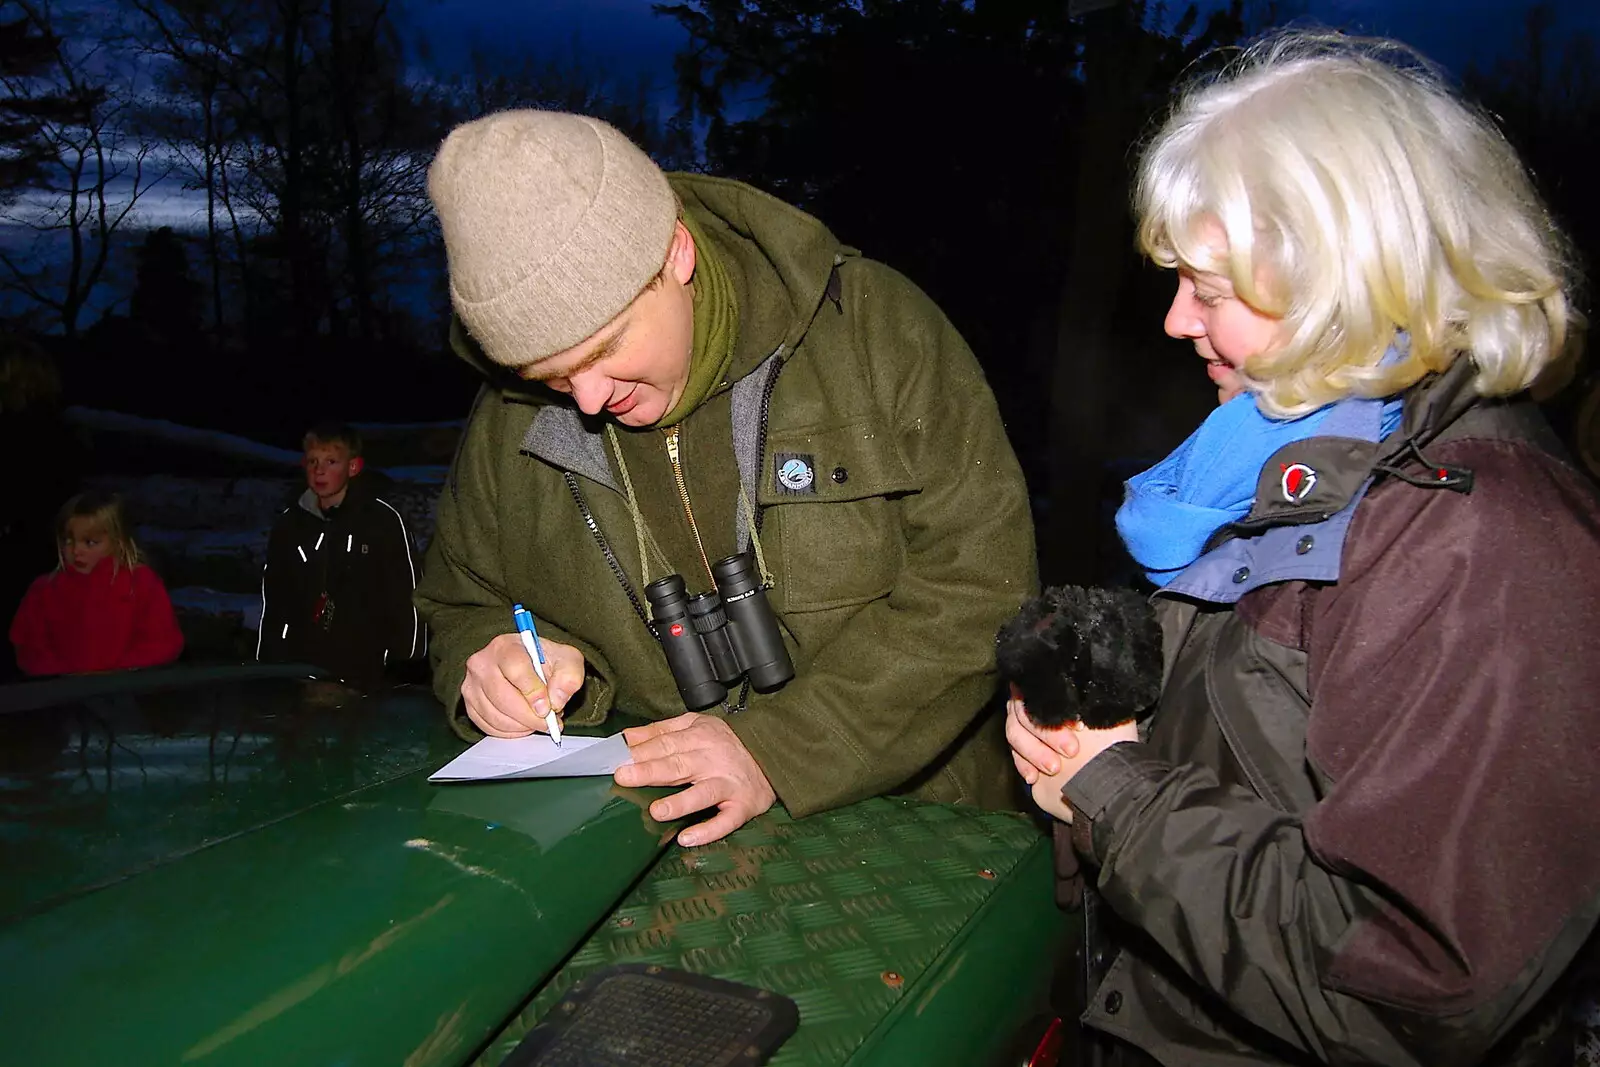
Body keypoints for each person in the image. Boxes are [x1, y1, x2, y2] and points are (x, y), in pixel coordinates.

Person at [1005, 31, 1600, 1067]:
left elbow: (1412, 988)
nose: (1175, 317)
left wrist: (1114, 791)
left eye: (1210, 285)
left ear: (1343, 274)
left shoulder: (1485, 543)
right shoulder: (1296, 451)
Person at [418, 110, 1035, 847]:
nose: (586, 399)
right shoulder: (505, 421)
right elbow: (460, 600)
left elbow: (983, 584)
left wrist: (782, 746)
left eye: (605, 347)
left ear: (675, 253)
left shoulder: (876, 334)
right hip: (643, 846)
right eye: (545, 374)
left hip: (912, 830)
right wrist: (491, 664)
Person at [257, 421, 422, 688]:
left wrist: (405, 664)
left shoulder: (382, 522)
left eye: (331, 462)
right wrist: (268, 661)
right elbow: (275, 597)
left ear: (353, 467)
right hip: (302, 667)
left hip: (366, 670)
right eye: (312, 461)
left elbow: (406, 593)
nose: (319, 471)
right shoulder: (290, 525)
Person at [9, 491, 184, 675]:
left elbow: (162, 641)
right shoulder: (43, 590)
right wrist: (65, 676)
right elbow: (28, 646)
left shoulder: (141, 583)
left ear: (118, 541)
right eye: (68, 541)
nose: (76, 550)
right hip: (59, 695)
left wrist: (111, 676)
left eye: (90, 542)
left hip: (126, 692)